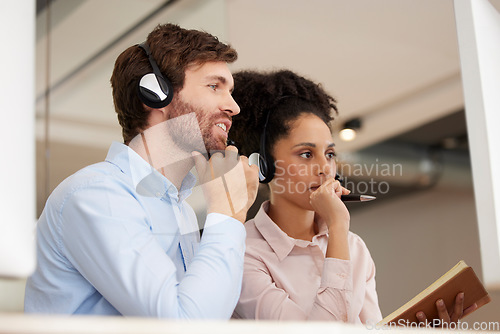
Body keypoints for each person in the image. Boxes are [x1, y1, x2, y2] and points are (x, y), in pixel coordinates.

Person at [24, 23, 259, 319]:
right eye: (215, 86)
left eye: (230, 91)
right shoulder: (96, 196)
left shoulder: (180, 209)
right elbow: (183, 323)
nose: (234, 107)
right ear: (156, 94)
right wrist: (228, 213)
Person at [229, 69, 476, 325]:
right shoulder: (243, 252)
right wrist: (337, 226)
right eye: (306, 154)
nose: (325, 168)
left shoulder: (354, 247)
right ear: (265, 165)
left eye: (330, 154)